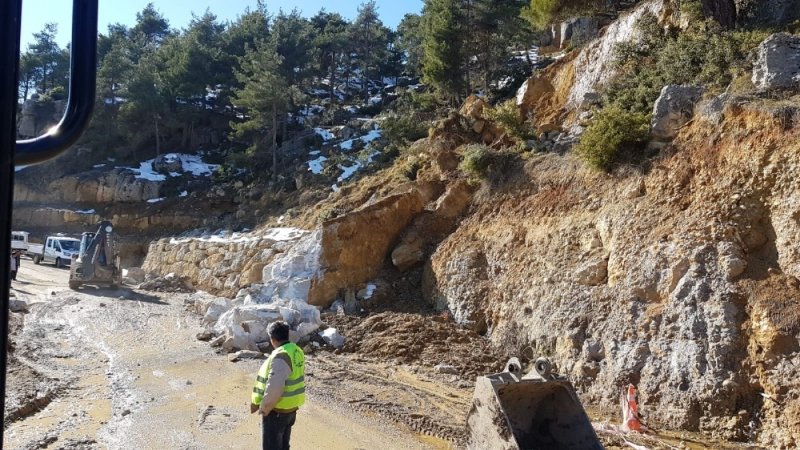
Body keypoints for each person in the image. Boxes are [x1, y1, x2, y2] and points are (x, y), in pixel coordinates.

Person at [250, 321, 305, 450]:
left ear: (272, 339)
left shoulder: (281, 355)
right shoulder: (296, 350)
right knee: (284, 446)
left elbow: (275, 386)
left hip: (277, 410)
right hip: (291, 408)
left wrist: (265, 407)